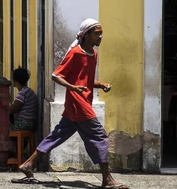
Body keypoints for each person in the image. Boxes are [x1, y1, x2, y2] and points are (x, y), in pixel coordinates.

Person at [14, 19, 129, 189]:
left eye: (101, 33)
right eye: (97, 33)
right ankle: (107, 179)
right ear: (86, 35)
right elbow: (56, 75)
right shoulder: (75, 53)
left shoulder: (93, 55)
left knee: (57, 135)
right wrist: (73, 88)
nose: (101, 36)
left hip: (78, 106)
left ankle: (29, 164)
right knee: (100, 137)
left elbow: (86, 80)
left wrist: (101, 84)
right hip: (79, 104)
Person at [9, 67, 37, 131]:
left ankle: (13, 141)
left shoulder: (22, 93)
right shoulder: (28, 91)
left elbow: (13, 109)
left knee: (3, 128)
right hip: (30, 123)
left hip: (23, 123)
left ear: (15, 81)